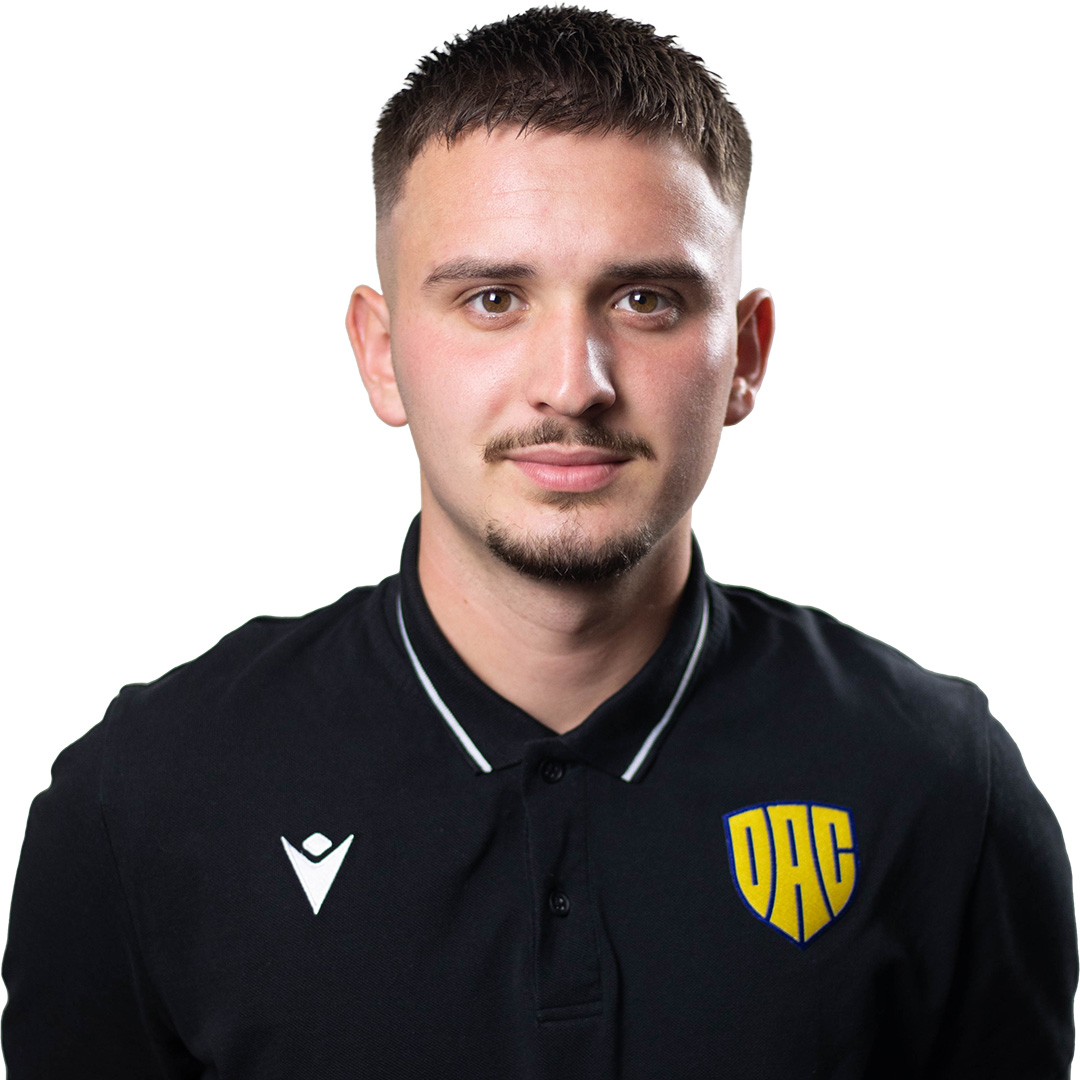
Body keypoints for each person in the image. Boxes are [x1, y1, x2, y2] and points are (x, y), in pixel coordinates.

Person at [2, 6, 1075, 1077]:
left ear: (745, 356)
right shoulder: (145, 801)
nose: (573, 383)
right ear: (380, 354)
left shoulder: (941, 790)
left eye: (646, 300)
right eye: (493, 299)